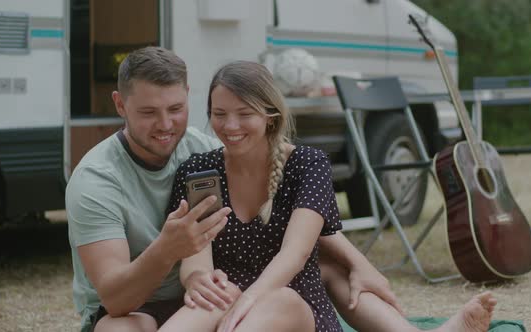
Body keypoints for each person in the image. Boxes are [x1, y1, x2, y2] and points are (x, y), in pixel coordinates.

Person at [158, 60, 498, 332]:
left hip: (287, 300)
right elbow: (194, 253)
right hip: (226, 296)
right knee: (204, 305)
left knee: (297, 291)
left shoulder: (308, 164)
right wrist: (200, 280)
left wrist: (249, 299)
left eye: (244, 114)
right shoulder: (198, 171)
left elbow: (297, 252)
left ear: (270, 115)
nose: (230, 126)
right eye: (219, 114)